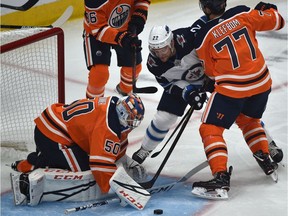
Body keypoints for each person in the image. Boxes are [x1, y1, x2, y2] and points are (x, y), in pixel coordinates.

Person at [131, 24, 283, 167]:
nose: (160, 55)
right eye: (155, 51)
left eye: (163, 50)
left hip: (212, 78)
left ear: (171, 43)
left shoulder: (188, 38)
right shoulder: (154, 63)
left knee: (242, 114)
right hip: (182, 83)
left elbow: (209, 37)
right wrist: (187, 91)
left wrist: (212, 77)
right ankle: (145, 148)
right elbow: (168, 85)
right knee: (164, 117)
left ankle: (268, 143)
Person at [191, 0, 285, 199]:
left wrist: (211, 81)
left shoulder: (203, 34)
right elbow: (278, 21)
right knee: (249, 121)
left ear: (205, 8)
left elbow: (210, 71)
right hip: (261, 83)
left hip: (233, 89)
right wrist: (268, 9)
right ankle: (265, 156)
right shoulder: (243, 13)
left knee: (209, 129)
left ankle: (220, 178)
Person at [10, 93, 149, 207]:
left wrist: (128, 163)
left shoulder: (112, 106)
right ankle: (31, 173)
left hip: (51, 126)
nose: (132, 124)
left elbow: (116, 149)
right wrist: (122, 189)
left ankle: (38, 159)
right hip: (53, 136)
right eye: (131, 119)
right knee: (84, 173)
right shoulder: (108, 127)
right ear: (123, 114)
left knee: (86, 160)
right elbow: (100, 167)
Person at [83, 0, 150, 98]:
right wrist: (121, 38)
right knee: (99, 74)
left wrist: (139, 15)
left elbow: (142, 1)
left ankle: (124, 91)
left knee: (133, 68)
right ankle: (93, 106)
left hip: (125, 29)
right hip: (96, 34)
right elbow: (98, 30)